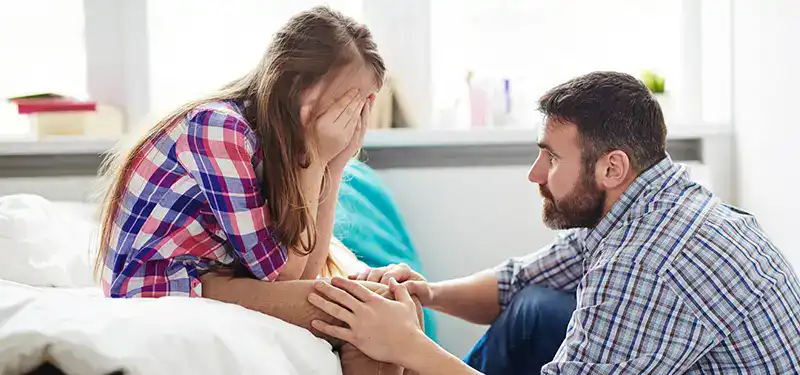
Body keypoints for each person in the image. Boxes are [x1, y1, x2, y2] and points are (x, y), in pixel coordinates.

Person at [308, 71, 800, 374]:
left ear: (612, 167)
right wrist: (428, 293)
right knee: (534, 307)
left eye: (550, 158)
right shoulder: (651, 204)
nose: (535, 173)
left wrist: (408, 348)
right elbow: (519, 280)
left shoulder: (642, 265)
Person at [93, 6, 422, 375]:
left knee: (398, 304)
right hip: (165, 283)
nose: (349, 120)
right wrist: (315, 158)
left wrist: (336, 163)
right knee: (375, 314)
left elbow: (307, 270)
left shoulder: (274, 142)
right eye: (345, 101)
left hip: (216, 279)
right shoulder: (220, 129)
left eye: (360, 105)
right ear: (297, 85)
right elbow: (282, 274)